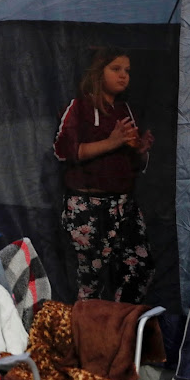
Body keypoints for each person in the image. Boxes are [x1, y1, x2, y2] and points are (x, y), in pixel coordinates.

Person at [53, 47, 155, 304]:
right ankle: (91, 338)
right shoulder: (79, 108)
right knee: (90, 281)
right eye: (116, 69)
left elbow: (132, 160)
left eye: (127, 71)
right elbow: (63, 151)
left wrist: (141, 152)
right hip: (88, 206)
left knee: (139, 267)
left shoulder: (125, 110)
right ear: (99, 73)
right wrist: (111, 142)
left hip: (124, 205)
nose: (124, 76)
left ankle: (118, 326)